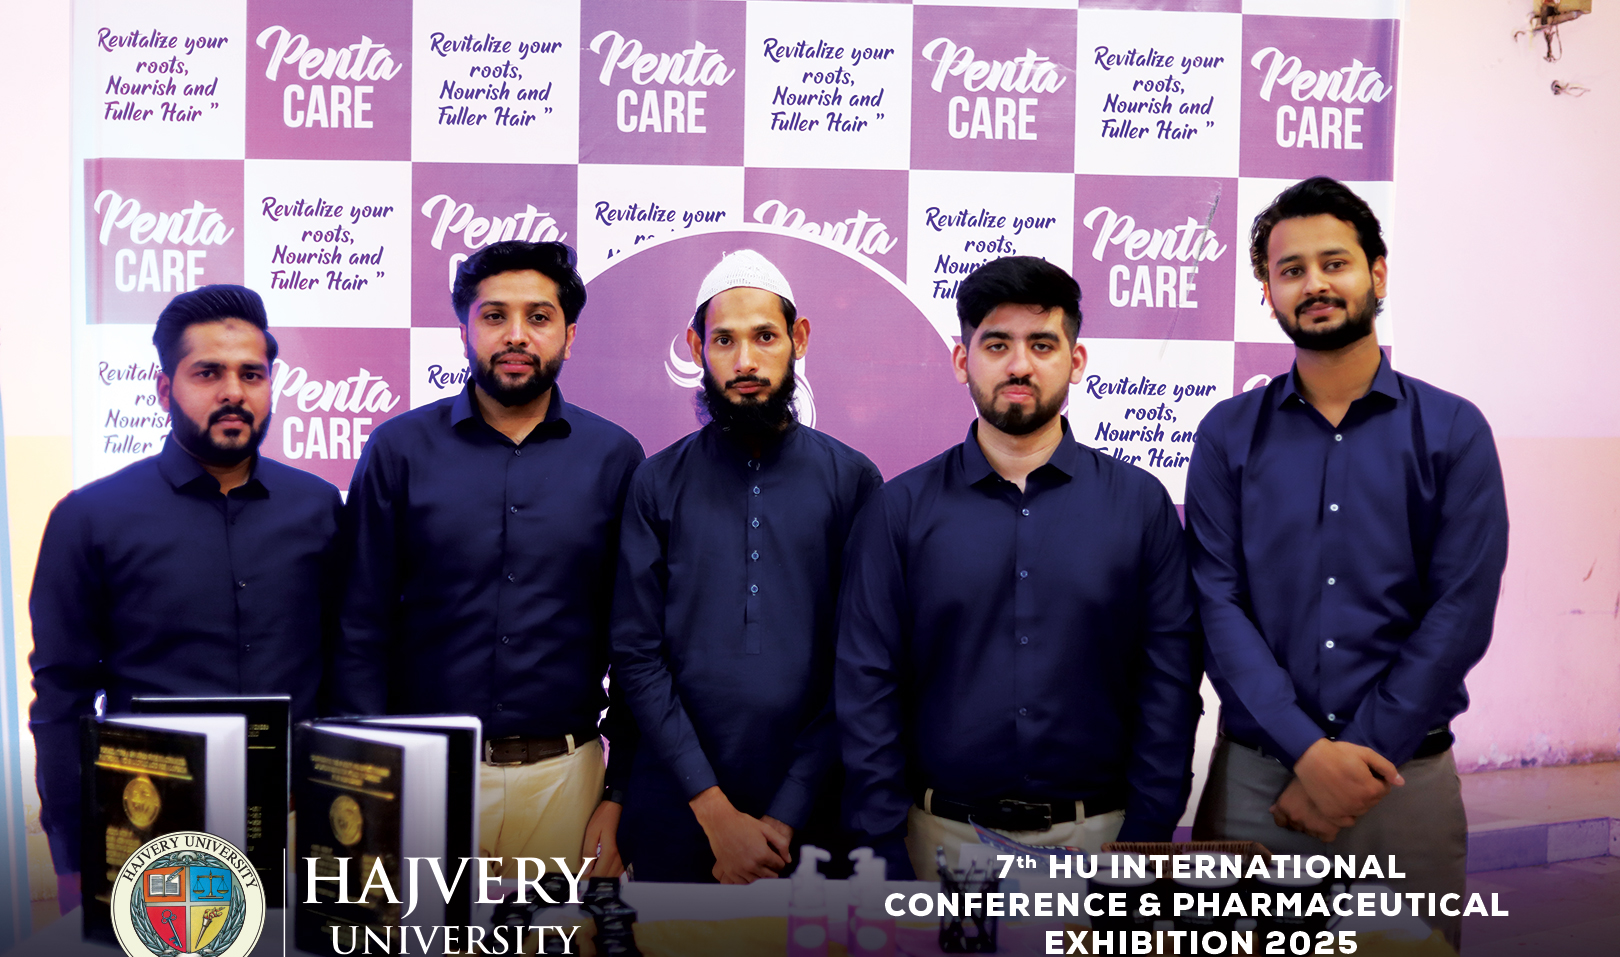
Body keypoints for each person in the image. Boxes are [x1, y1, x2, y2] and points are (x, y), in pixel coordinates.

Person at [1185, 176, 1509, 947]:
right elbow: (1216, 603)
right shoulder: (1228, 434)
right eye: (1291, 270)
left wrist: (1353, 759)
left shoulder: (1453, 431)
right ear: (1268, 292)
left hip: (1405, 782)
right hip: (1258, 784)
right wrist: (1306, 751)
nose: (1315, 284)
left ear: (1378, 274)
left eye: (1335, 263)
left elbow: (1460, 612)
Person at [837, 256, 1202, 879]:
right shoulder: (898, 511)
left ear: (1076, 360)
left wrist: (1143, 841)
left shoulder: (1139, 506)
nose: (1019, 365)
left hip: (1103, 844)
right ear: (962, 360)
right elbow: (867, 687)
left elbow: (1168, 685)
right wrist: (884, 851)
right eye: (997, 344)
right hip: (937, 845)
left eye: (1042, 344)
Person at [333, 241, 644, 877]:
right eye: (494, 316)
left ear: (569, 335)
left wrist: (619, 792)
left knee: (567, 943)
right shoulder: (398, 450)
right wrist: (369, 778)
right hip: (421, 779)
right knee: (419, 945)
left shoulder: (615, 457)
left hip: (568, 784)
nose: (516, 335)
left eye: (539, 317)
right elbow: (359, 627)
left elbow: (637, 638)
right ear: (465, 331)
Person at [29, 284, 342, 911]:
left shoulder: (319, 507)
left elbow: (347, 661)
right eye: (208, 373)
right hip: (152, 834)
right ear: (164, 388)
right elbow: (61, 697)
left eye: (251, 374)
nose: (234, 392)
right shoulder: (90, 517)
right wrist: (74, 855)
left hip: (300, 831)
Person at [612, 250, 882, 883]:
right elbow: (636, 656)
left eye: (764, 337)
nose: (745, 363)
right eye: (724, 340)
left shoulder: (853, 481)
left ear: (799, 338)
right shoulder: (656, 481)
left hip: (816, 817)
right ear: (696, 348)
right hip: (678, 808)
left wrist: (786, 813)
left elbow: (861, 661)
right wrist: (714, 813)